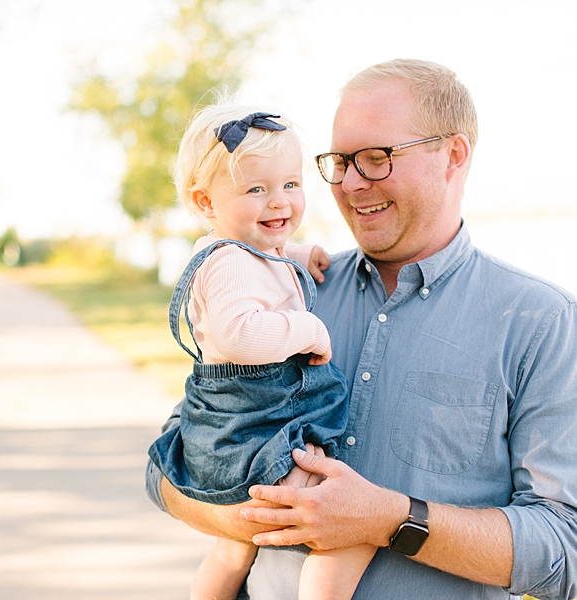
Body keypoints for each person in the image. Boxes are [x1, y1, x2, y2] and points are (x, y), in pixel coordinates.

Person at [146, 58, 577, 600]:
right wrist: (241, 522)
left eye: (375, 160)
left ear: (453, 155)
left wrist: (392, 521)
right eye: (339, 161)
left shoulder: (543, 323)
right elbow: (171, 466)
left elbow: (566, 550)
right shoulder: (289, 291)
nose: (349, 184)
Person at [147, 104, 374, 600]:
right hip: (254, 429)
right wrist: (308, 328)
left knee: (234, 547)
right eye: (256, 190)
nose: (279, 204)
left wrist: (297, 254)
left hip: (237, 426)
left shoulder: (235, 248)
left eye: (291, 185)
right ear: (205, 202)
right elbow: (239, 336)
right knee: (343, 530)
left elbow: (260, 254)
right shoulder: (228, 263)